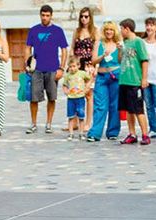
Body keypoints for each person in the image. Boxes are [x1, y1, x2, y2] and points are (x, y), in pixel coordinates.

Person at [26, 5, 68, 134]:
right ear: (40, 15)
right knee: (34, 98)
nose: (45, 18)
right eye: (43, 15)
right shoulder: (34, 30)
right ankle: (33, 124)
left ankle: (48, 124)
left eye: (47, 15)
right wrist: (27, 63)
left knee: (51, 97)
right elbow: (28, 47)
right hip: (36, 69)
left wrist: (61, 68)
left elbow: (64, 49)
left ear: (51, 16)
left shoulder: (58, 31)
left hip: (52, 69)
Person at [86, 21, 122, 142]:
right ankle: (95, 133)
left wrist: (121, 50)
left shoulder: (118, 44)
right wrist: (102, 56)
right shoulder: (98, 43)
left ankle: (113, 131)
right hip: (102, 76)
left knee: (115, 105)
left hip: (116, 75)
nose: (109, 32)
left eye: (111, 29)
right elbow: (94, 60)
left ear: (114, 31)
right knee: (100, 105)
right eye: (106, 29)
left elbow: (120, 60)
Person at [118, 18, 150, 145]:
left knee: (138, 109)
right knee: (128, 109)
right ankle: (132, 133)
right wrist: (120, 49)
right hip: (124, 80)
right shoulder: (125, 43)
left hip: (134, 81)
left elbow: (145, 60)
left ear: (127, 28)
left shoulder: (138, 42)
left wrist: (144, 78)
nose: (120, 31)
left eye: (121, 29)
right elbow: (120, 60)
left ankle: (145, 134)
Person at [73, 8, 96, 132]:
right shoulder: (77, 31)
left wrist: (95, 67)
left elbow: (97, 50)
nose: (84, 19)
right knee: (75, 93)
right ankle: (75, 122)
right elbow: (72, 48)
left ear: (90, 17)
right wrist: (70, 65)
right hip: (77, 66)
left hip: (88, 66)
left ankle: (88, 122)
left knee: (88, 95)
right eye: (82, 16)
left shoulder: (95, 32)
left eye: (86, 16)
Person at [61, 57, 90, 141]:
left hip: (80, 98)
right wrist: (65, 91)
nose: (72, 68)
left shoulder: (82, 73)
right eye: (70, 66)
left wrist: (86, 89)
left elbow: (89, 79)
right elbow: (64, 84)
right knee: (71, 116)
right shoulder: (67, 76)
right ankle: (71, 133)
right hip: (71, 98)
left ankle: (81, 133)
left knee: (81, 116)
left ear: (78, 65)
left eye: (74, 66)